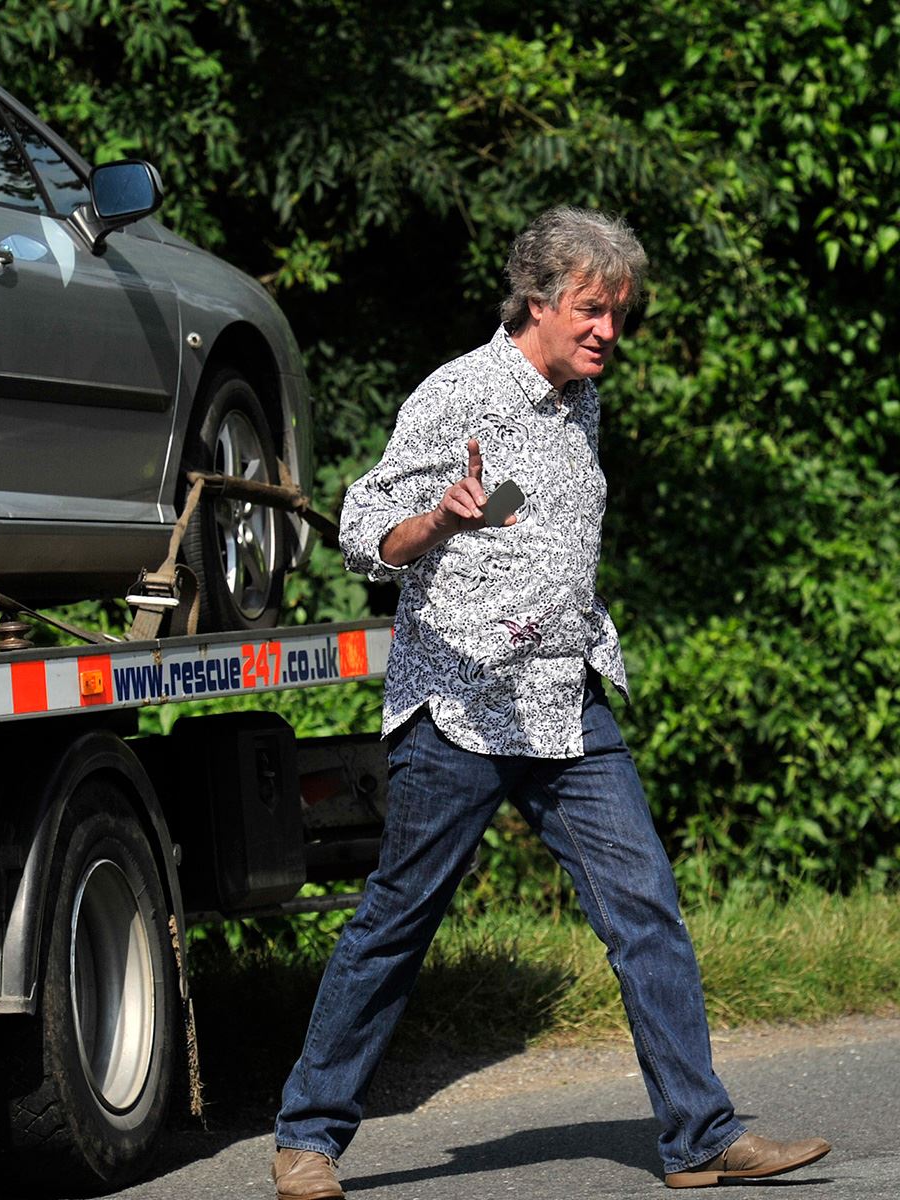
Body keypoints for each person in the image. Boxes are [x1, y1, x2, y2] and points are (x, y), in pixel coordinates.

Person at [270, 206, 831, 1197]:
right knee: (397, 923)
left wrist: (502, 537)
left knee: (645, 910)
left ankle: (699, 1136)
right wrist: (435, 522)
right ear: (536, 301)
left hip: (567, 701)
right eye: (591, 310)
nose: (609, 330)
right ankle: (307, 1136)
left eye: (619, 313)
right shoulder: (460, 392)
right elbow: (361, 532)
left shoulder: (581, 400)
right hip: (461, 708)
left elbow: (534, 525)